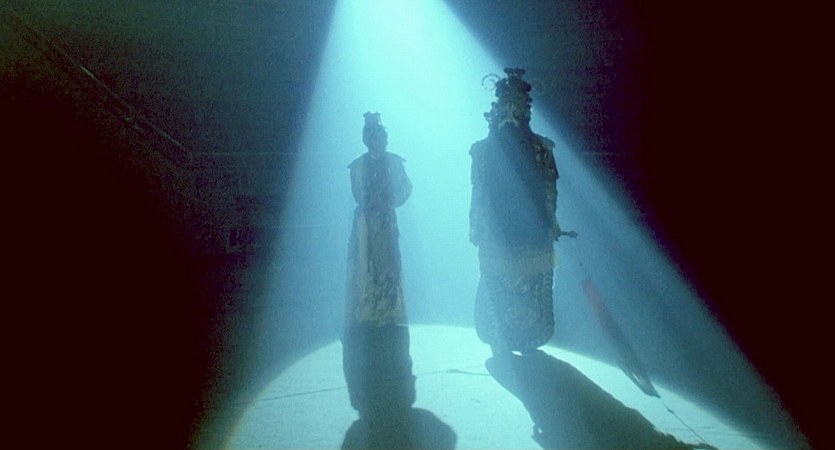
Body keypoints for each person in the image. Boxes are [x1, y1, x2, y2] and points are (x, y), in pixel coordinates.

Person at [469, 68, 565, 356]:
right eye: (507, 105)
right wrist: (477, 227)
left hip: (532, 234)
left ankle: (528, 337)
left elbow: (549, 189)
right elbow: (479, 193)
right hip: (497, 234)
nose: (511, 112)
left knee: (531, 287)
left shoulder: (541, 149)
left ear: (526, 110)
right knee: (498, 286)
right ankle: (500, 337)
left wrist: (551, 222)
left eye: (517, 106)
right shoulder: (482, 151)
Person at [342, 112, 415, 419]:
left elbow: (405, 189)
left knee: (389, 267)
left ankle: (388, 310)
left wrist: (389, 200)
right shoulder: (358, 165)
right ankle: (368, 310)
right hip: (367, 224)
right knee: (367, 267)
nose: (379, 141)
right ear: (366, 139)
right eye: (374, 136)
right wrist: (376, 199)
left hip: (386, 221)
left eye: (382, 137)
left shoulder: (395, 162)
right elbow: (359, 194)